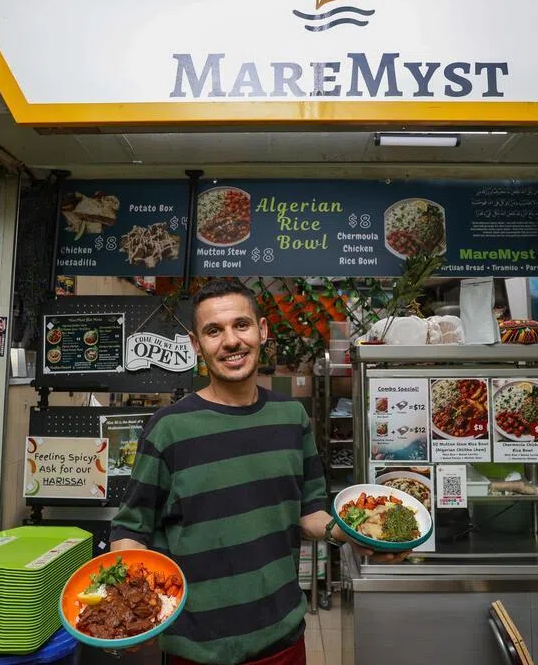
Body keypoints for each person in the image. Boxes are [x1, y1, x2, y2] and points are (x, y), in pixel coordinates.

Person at [110, 280, 406, 665]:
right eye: (214, 331)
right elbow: (131, 528)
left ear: (262, 331)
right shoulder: (168, 428)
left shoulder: (291, 417)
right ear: (197, 345)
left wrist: (351, 533)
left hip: (281, 637)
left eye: (241, 325)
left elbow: (311, 509)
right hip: (197, 646)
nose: (231, 341)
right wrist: (129, 605)